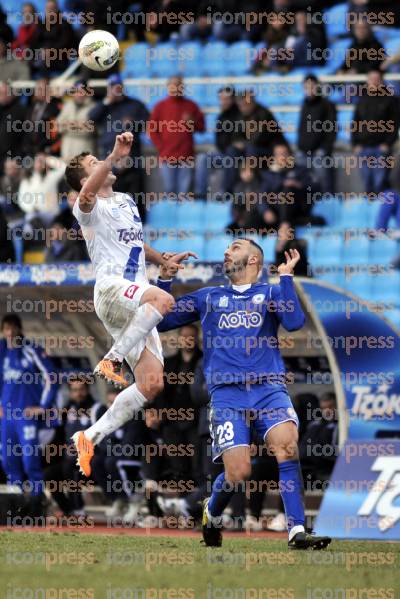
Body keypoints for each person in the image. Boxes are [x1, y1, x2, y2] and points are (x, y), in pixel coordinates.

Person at [156, 240, 331, 550]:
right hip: (227, 395)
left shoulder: (271, 292)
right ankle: (211, 512)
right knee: (238, 472)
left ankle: (297, 530)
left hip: (268, 389)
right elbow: (163, 320)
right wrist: (165, 280)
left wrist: (287, 279)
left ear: (253, 260)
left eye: (234, 247)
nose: (226, 252)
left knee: (287, 448)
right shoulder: (209, 297)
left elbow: (293, 323)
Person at [63, 132, 196, 477]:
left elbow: (135, 242)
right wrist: (111, 155)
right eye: (93, 165)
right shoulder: (86, 206)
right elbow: (89, 192)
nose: (104, 165)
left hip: (135, 297)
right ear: (83, 179)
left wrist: (162, 259)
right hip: (111, 289)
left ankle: (89, 436)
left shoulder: (125, 200)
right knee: (163, 299)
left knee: (152, 384)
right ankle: (112, 358)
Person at [0, 314, 58, 517]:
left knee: (29, 460)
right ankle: (14, 507)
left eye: (12, 328)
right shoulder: (3, 353)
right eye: (5, 329)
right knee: (8, 461)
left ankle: (37, 505)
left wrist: (42, 406)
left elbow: (52, 377)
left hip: (26, 414)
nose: (9, 333)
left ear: (19, 328)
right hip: (7, 416)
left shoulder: (32, 350)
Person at [88, 74, 149, 218]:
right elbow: (91, 117)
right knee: (111, 194)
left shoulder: (135, 105)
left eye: (118, 87)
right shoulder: (104, 107)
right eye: (112, 87)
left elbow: (147, 122)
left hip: (131, 156)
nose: (116, 90)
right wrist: (107, 101)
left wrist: (133, 124)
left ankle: (137, 224)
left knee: (134, 195)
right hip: (109, 156)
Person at [148, 75, 205, 197]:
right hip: (167, 157)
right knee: (169, 191)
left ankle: (183, 215)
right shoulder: (160, 106)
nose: (176, 88)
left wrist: (192, 122)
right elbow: (152, 130)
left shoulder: (191, 105)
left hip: (186, 156)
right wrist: (161, 147)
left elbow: (202, 128)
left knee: (184, 193)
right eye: (173, 85)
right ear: (168, 87)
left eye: (179, 85)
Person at [352, 70, 400, 194]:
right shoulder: (361, 100)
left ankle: (382, 208)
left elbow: (394, 124)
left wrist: (387, 143)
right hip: (363, 147)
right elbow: (355, 123)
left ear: (382, 81)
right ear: (367, 82)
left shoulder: (390, 100)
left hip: (381, 147)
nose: (374, 82)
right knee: (367, 183)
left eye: (376, 79)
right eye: (371, 79)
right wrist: (355, 144)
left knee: (380, 183)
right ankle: (371, 209)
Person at [194, 86, 240, 199]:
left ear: (233, 99)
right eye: (221, 99)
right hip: (222, 153)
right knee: (202, 158)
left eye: (227, 99)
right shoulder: (221, 117)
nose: (223, 101)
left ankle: (225, 192)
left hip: (237, 156)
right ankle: (201, 194)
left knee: (230, 155)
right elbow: (219, 141)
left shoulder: (241, 115)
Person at [297, 74, 337, 194]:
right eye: (306, 87)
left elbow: (331, 129)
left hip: (320, 152)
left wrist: (324, 149)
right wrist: (300, 147)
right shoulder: (304, 105)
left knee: (325, 184)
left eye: (312, 86)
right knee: (303, 184)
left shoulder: (328, 105)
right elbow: (302, 128)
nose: (309, 90)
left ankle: (328, 207)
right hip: (303, 152)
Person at [56, 80, 96, 161]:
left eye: (82, 91)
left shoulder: (93, 107)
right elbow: (58, 126)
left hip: (85, 156)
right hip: (67, 154)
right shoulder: (68, 105)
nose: (79, 94)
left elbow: (89, 130)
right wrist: (79, 125)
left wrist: (67, 125)